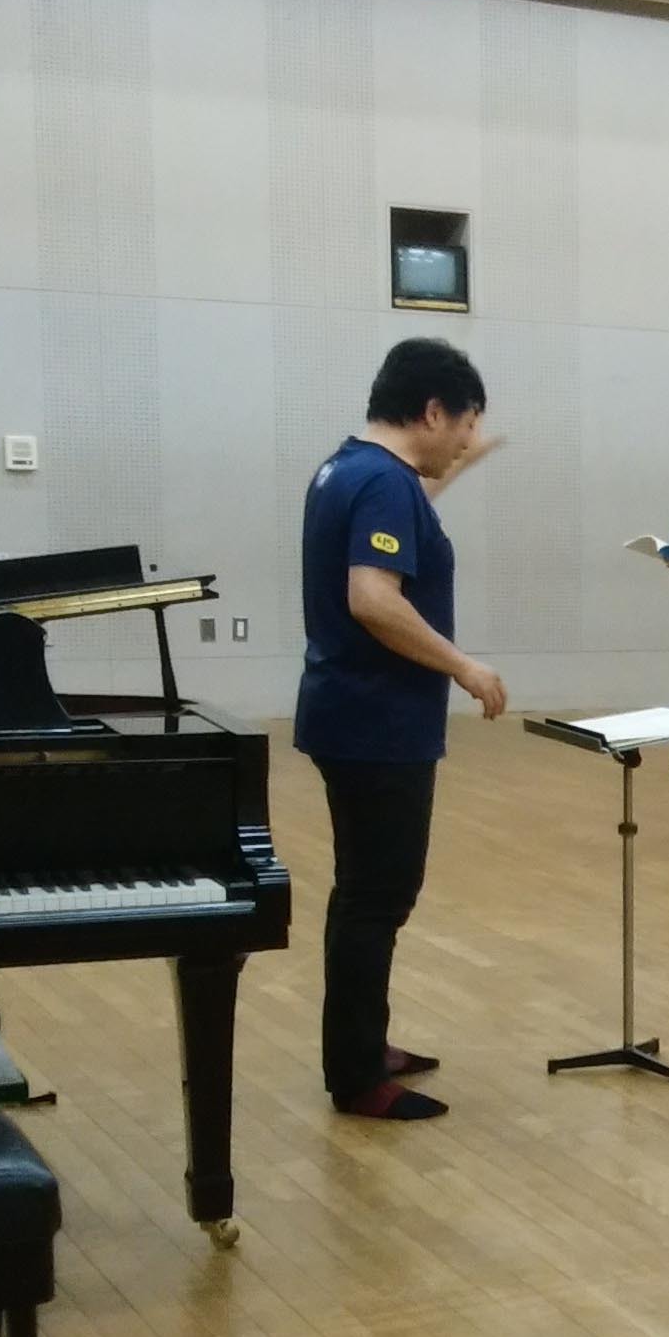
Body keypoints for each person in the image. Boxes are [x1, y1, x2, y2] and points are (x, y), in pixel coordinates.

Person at [293, 337, 507, 1122]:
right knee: (377, 898)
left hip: (349, 715)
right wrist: (464, 667)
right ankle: (357, 1075)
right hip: (377, 724)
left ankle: (362, 1044)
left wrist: (463, 466)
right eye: (466, 425)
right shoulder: (384, 482)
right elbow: (373, 598)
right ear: (432, 411)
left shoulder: (350, 468)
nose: (466, 442)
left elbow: (407, 514)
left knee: (364, 893)